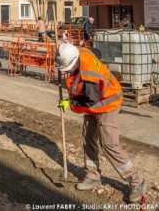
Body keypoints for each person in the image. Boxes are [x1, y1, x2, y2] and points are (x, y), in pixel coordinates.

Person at [56, 43, 146, 203]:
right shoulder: (79, 52)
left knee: (109, 143)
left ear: (76, 61)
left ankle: (136, 180)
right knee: (88, 137)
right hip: (94, 101)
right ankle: (93, 175)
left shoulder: (89, 76)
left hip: (108, 102)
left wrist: (70, 103)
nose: (67, 72)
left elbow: (90, 99)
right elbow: (95, 52)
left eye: (67, 68)